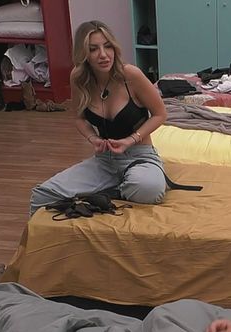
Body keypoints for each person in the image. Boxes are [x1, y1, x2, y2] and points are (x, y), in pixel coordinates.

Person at [29, 20, 167, 215]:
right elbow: (79, 118)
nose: (103, 54)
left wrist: (131, 140)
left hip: (139, 156)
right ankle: (109, 191)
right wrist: (92, 138)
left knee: (147, 189)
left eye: (107, 46)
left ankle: (109, 192)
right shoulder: (79, 77)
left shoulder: (130, 75)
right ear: (83, 53)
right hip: (105, 161)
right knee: (42, 195)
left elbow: (160, 114)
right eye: (93, 49)